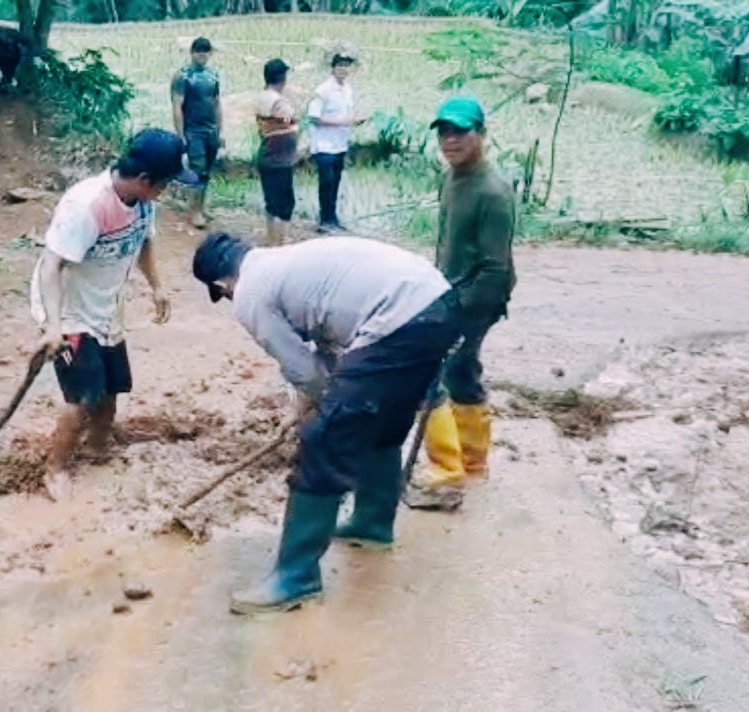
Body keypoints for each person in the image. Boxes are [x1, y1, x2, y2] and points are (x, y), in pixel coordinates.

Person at [192, 232, 462, 615]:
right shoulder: (284, 263)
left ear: (222, 285)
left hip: (399, 318)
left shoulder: (251, 292)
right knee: (381, 421)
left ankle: (296, 577)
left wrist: (321, 411)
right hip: (437, 303)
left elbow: (303, 370)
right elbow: (329, 347)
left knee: (323, 438)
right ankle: (371, 524)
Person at [31, 129, 196, 502]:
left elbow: (144, 241)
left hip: (106, 305)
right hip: (68, 308)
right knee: (81, 393)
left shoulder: (143, 202)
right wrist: (54, 326)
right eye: (166, 183)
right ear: (144, 180)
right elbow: (51, 267)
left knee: (114, 383)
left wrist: (156, 286)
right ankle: (54, 469)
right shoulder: (86, 206)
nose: (167, 191)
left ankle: (99, 447)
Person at [411, 97, 516, 497]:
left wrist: (458, 310)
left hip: (476, 298)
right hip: (449, 290)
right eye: (444, 132)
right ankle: (472, 459)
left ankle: (447, 468)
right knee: (462, 371)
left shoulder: (493, 192)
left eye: (460, 132)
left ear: (482, 135)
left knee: (440, 373)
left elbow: (495, 267)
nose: (450, 141)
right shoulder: (452, 177)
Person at [307, 48, 366, 234]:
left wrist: (354, 120)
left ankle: (332, 219)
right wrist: (344, 121)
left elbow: (346, 113)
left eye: (346, 66)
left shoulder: (347, 89)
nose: (343, 69)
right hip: (324, 145)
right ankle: (325, 221)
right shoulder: (323, 90)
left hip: (340, 144)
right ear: (332, 68)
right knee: (327, 183)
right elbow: (314, 118)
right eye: (340, 66)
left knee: (335, 183)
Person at [171, 37, 223, 230]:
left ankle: (200, 206)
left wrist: (220, 129)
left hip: (211, 130)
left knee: (207, 171)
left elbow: (217, 103)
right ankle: (194, 212)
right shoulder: (183, 76)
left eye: (206, 51)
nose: (202, 54)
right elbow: (177, 105)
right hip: (193, 130)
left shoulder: (213, 75)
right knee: (197, 169)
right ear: (192, 53)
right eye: (198, 51)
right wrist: (180, 134)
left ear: (210, 53)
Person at [255, 59, 299, 246]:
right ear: (283, 78)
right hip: (279, 159)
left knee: (272, 201)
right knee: (285, 204)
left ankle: (272, 238)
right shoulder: (278, 102)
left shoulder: (262, 97)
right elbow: (291, 120)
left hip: (268, 155)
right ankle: (280, 241)